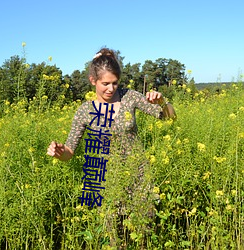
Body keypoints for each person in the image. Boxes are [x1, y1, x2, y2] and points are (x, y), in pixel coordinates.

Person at [47, 47, 176, 246]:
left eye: (115, 83)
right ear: (93, 81)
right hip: (105, 181)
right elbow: (70, 151)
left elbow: (169, 118)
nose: (111, 89)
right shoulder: (85, 111)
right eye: (105, 83)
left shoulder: (129, 97)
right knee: (112, 239)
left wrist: (163, 102)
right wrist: (59, 152)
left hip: (139, 175)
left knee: (144, 234)